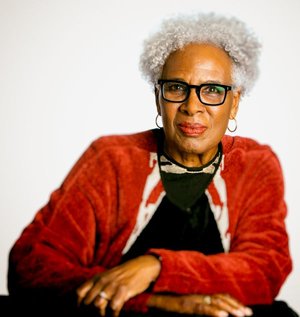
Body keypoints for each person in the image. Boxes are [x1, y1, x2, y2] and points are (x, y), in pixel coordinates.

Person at [7, 12, 298, 317]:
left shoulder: (255, 165)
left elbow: (265, 269)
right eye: (176, 87)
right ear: (158, 97)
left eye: (212, 90)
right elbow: (30, 267)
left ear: (234, 101)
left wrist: (156, 267)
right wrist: (154, 304)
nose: (192, 106)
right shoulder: (111, 160)